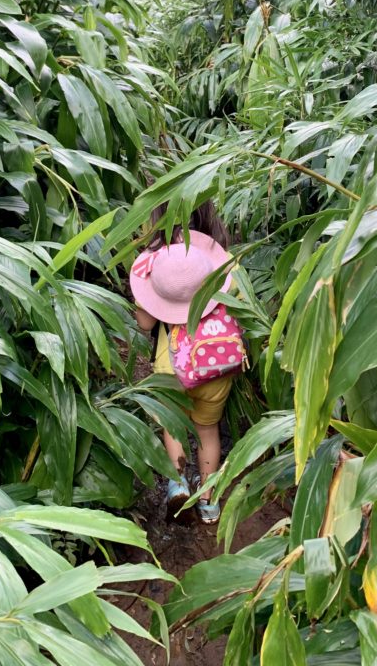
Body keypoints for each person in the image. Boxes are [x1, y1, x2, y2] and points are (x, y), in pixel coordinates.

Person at [130, 204, 234, 525]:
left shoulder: (158, 259)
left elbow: (144, 323)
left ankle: (178, 485)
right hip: (215, 368)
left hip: (171, 369)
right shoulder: (222, 261)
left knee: (173, 427)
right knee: (207, 431)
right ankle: (208, 501)